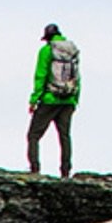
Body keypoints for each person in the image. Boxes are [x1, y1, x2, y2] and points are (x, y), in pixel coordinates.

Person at [27, 23, 79, 175]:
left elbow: (40, 76)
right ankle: (65, 171)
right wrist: (75, 99)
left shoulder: (46, 51)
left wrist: (34, 100)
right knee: (64, 136)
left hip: (50, 99)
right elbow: (77, 77)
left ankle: (35, 169)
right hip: (68, 99)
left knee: (33, 135)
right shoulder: (72, 50)